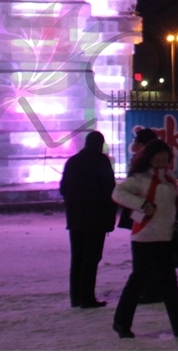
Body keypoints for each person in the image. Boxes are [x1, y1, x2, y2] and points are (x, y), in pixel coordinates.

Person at [111, 139, 178, 340]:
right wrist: (142, 205)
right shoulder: (139, 178)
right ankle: (121, 323)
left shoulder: (169, 178)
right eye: (157, 158)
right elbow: (117, 193)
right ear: (149, 158)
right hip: (144, 237)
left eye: (164, 158)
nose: (161, 161)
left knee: (169, 283)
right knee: (138, 282)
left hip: (165, 236)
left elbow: (173, 205)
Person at [59, 131, 117, 309]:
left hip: (76, 217)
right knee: (91, 258)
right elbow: (110, 188)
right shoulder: (102, 161)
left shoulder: (73, 161)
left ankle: (75, 297)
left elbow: (63, 188)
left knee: (77, 258)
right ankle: (87, 297)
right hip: (96, 218)